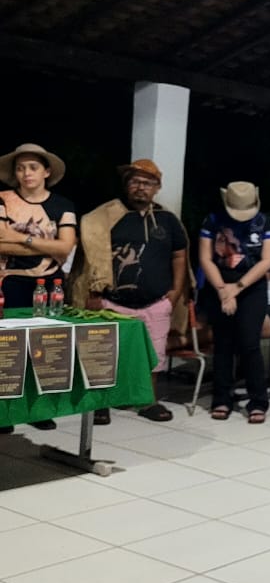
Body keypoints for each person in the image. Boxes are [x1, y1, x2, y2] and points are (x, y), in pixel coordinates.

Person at [71, 158, 192, 425]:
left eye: (148, 183)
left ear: (157, 188)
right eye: (135, 181)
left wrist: (174, 292)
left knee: (154, 354)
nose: (141, 187)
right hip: (112, 301)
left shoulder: (168, 220)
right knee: (104, 353)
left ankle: (147, 399)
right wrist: (93, 293)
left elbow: (180, 256)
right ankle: (101, 402)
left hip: (155, 302)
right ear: (126, 185)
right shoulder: (102, 218)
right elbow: (89, 256)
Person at [0, 143, 78, 433]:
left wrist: (20, 238)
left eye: (32, 167)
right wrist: (48, 244)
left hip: (49, 285)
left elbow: (66, 246)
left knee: (44, 348)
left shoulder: (63, 205)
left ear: (46, 171)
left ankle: (38, 409)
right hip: (8, 282)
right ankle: (5, 412)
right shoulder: (3, 200)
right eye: (20, 168)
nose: (26, 173)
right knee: (7, 349)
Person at [198, 182, 270, 423]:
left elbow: (267, 261)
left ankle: (258, 401)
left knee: (249, 343)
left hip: (251, 287)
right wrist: (223, 290)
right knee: (223, 343)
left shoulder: (265, 222)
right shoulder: (212, 220)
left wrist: (238, 288)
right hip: (219, 284)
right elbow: (205, 258)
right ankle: (221, 398)